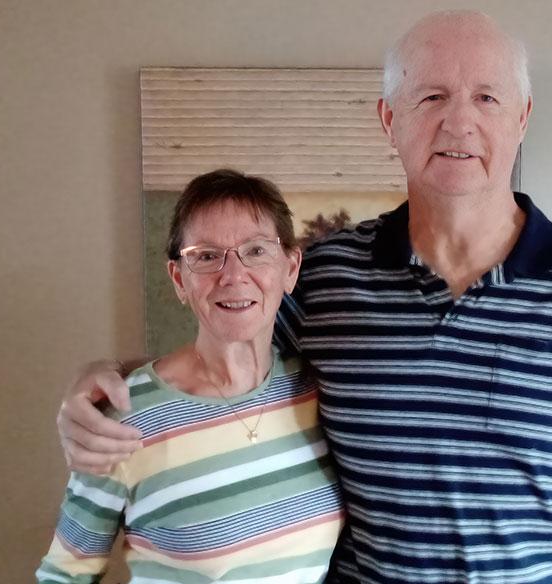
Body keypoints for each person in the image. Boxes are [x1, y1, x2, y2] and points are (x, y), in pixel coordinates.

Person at [56, 11, 552, 584]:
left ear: (521, 116)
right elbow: (224, 370)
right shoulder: (327, 275)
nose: (459, 121)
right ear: (390, 119)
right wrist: (108, 379)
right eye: (431, 96)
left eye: (487, 97)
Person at [37, 169, 344, 583]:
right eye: (206, 255)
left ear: (290, 268)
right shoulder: (126, 416)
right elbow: (64, 574)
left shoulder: (316, 392)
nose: (233, 275)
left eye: (255, 250)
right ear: (179, 279)